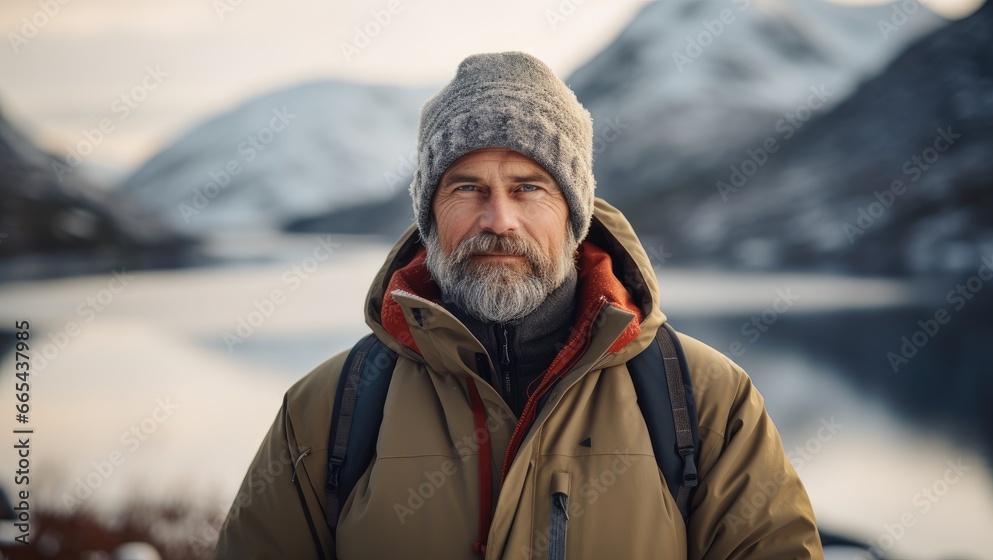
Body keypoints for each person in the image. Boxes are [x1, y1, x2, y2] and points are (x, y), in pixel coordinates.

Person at [214, 51, 822, 559]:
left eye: (528, 187)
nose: (498, 219)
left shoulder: (706, 401)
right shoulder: (328, 411)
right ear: (430, 216)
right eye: (466, 187)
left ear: (574, 217)